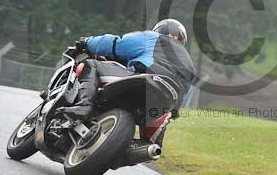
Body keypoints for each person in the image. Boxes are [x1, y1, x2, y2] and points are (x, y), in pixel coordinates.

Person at [62, 19, 195, 121]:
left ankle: (84, 106)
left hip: (146, 80)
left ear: (160, 30)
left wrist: (86, 42)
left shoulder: (154, 38)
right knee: (162, 122)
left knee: (91, 65)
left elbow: (116, 44)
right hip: (166, 104)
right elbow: (184, 96)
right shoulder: (189, 64)